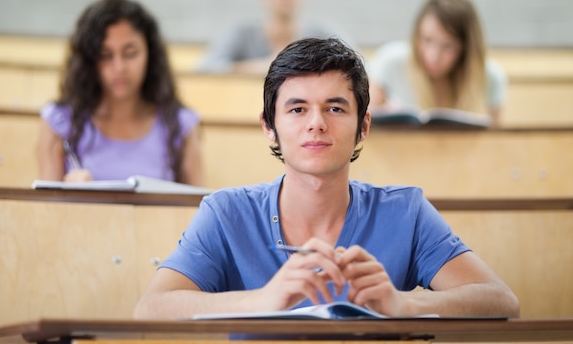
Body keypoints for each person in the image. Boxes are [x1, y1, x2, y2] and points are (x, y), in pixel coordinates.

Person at [134, 37, 519, 320]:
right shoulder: (225, 213)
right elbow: (151, 308)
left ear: (363, 126)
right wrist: (263, 300)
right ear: (270, 127)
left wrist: (405, 304)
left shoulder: (406, 211)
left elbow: (501, 300)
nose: (316, 124)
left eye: (335, 108)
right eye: (297, 109)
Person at [37, 0, 203, 185]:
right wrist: (71, 197)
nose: (119, 67)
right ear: (90, 61)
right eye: (105, 56)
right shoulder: (59, 122)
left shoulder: (180, 124)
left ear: (150, 53)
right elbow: (47, 210)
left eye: (130, 53)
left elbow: (199, 209)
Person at [368, 0, 507, 126]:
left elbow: (493, 142)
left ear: (465, 49)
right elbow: (364, 131)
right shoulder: (390, 62)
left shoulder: (490, 77)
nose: (433, 56)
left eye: (447, 46)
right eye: (427, 40)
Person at [196, 0, 348, 75]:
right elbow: (205, 69)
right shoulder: (240, 33)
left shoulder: (324, 34)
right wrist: (264, 66)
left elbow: (358, 68)